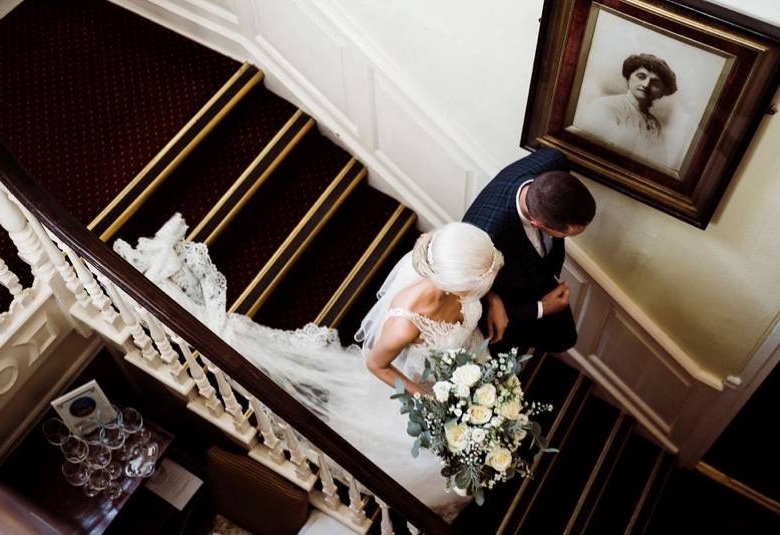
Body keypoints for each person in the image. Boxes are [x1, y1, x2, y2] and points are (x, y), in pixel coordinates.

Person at [113, 216, 504, 520]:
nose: (485, 288)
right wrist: (424, 397)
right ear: (453, 285)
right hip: (418, 382)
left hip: (453, 367)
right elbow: (375, 365)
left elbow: (474, 295)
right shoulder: (404, 322)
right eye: (482, 284)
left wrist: (493, 305)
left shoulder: (457, 269)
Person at [463, 147, 595, 353]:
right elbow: (469, 292)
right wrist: (540, 308)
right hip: (511, 296)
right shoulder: (486, 235)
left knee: (565, 338)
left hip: (539, 274)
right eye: (566, 235)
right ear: (535, 223)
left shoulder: (554, 161)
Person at [575, 53, 678, 165]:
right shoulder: (606, 106)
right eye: (641, 76)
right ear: (628, 78)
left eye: (655, 82)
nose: (646, 84)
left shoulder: (655, 125)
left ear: (662, 92)